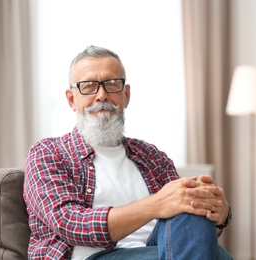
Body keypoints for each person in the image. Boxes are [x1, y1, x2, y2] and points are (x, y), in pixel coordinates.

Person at [24, 45, 232, 260]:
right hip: (91, 256)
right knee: (218, 256)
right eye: (88, 86)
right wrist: (156, 204)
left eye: (112, 84)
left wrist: (220, 213)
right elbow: (70, 224)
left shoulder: (153, 156)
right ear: (71, 99)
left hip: (162, 250)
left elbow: (186, 226)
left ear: (126, 95)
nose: (101, 96)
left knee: (187, 199)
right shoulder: (48, 153)